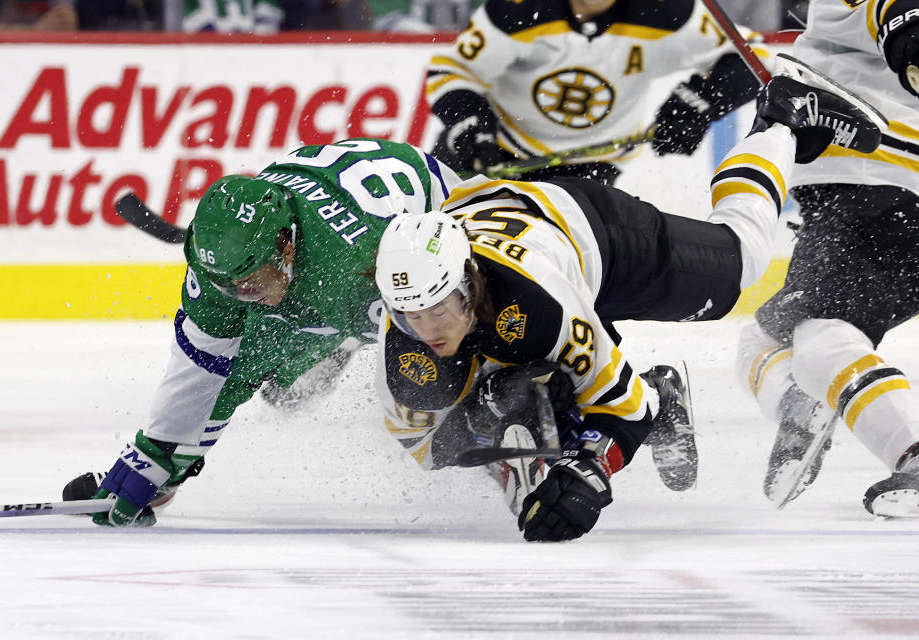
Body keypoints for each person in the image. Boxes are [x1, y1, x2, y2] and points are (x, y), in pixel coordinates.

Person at [373, 60, 886, 541]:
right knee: (497, 396)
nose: (427, 328)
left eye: (438, 308)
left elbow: (628, 408)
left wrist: (589, 475)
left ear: (468, 284)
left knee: (741, 262)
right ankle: (557, 408)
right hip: (516, 234)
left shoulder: (540, 304)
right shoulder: (407, 331)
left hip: (597, 236)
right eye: (408, 315)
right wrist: (491, 428)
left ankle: (783, 119)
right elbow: (425, 448)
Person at [63, 138, 460, 527]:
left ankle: (346, 339)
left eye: (251, 281)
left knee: (431, 379)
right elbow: (201, 363)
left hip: (429, 216)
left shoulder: (355, 272)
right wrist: (152, 456)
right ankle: (171, 475)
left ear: (286, 249)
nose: (239, 295)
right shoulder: (221, 263)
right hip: (328, 248)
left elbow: (452, 330)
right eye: (228, 285)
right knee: (241, 363)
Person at [735, 0, 919, 517]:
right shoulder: (829, 29)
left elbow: (914, 24)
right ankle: (799, 406)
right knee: (761, 340)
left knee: (819, 335)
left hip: (887, 192)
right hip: (869, 198)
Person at [426, 0, 764, 185]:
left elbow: (755, 59)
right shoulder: (517, 8)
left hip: (591, 169)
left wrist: (698, 104)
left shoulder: (667, 11)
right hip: (491, 154)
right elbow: (451, 71)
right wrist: (470, 126)